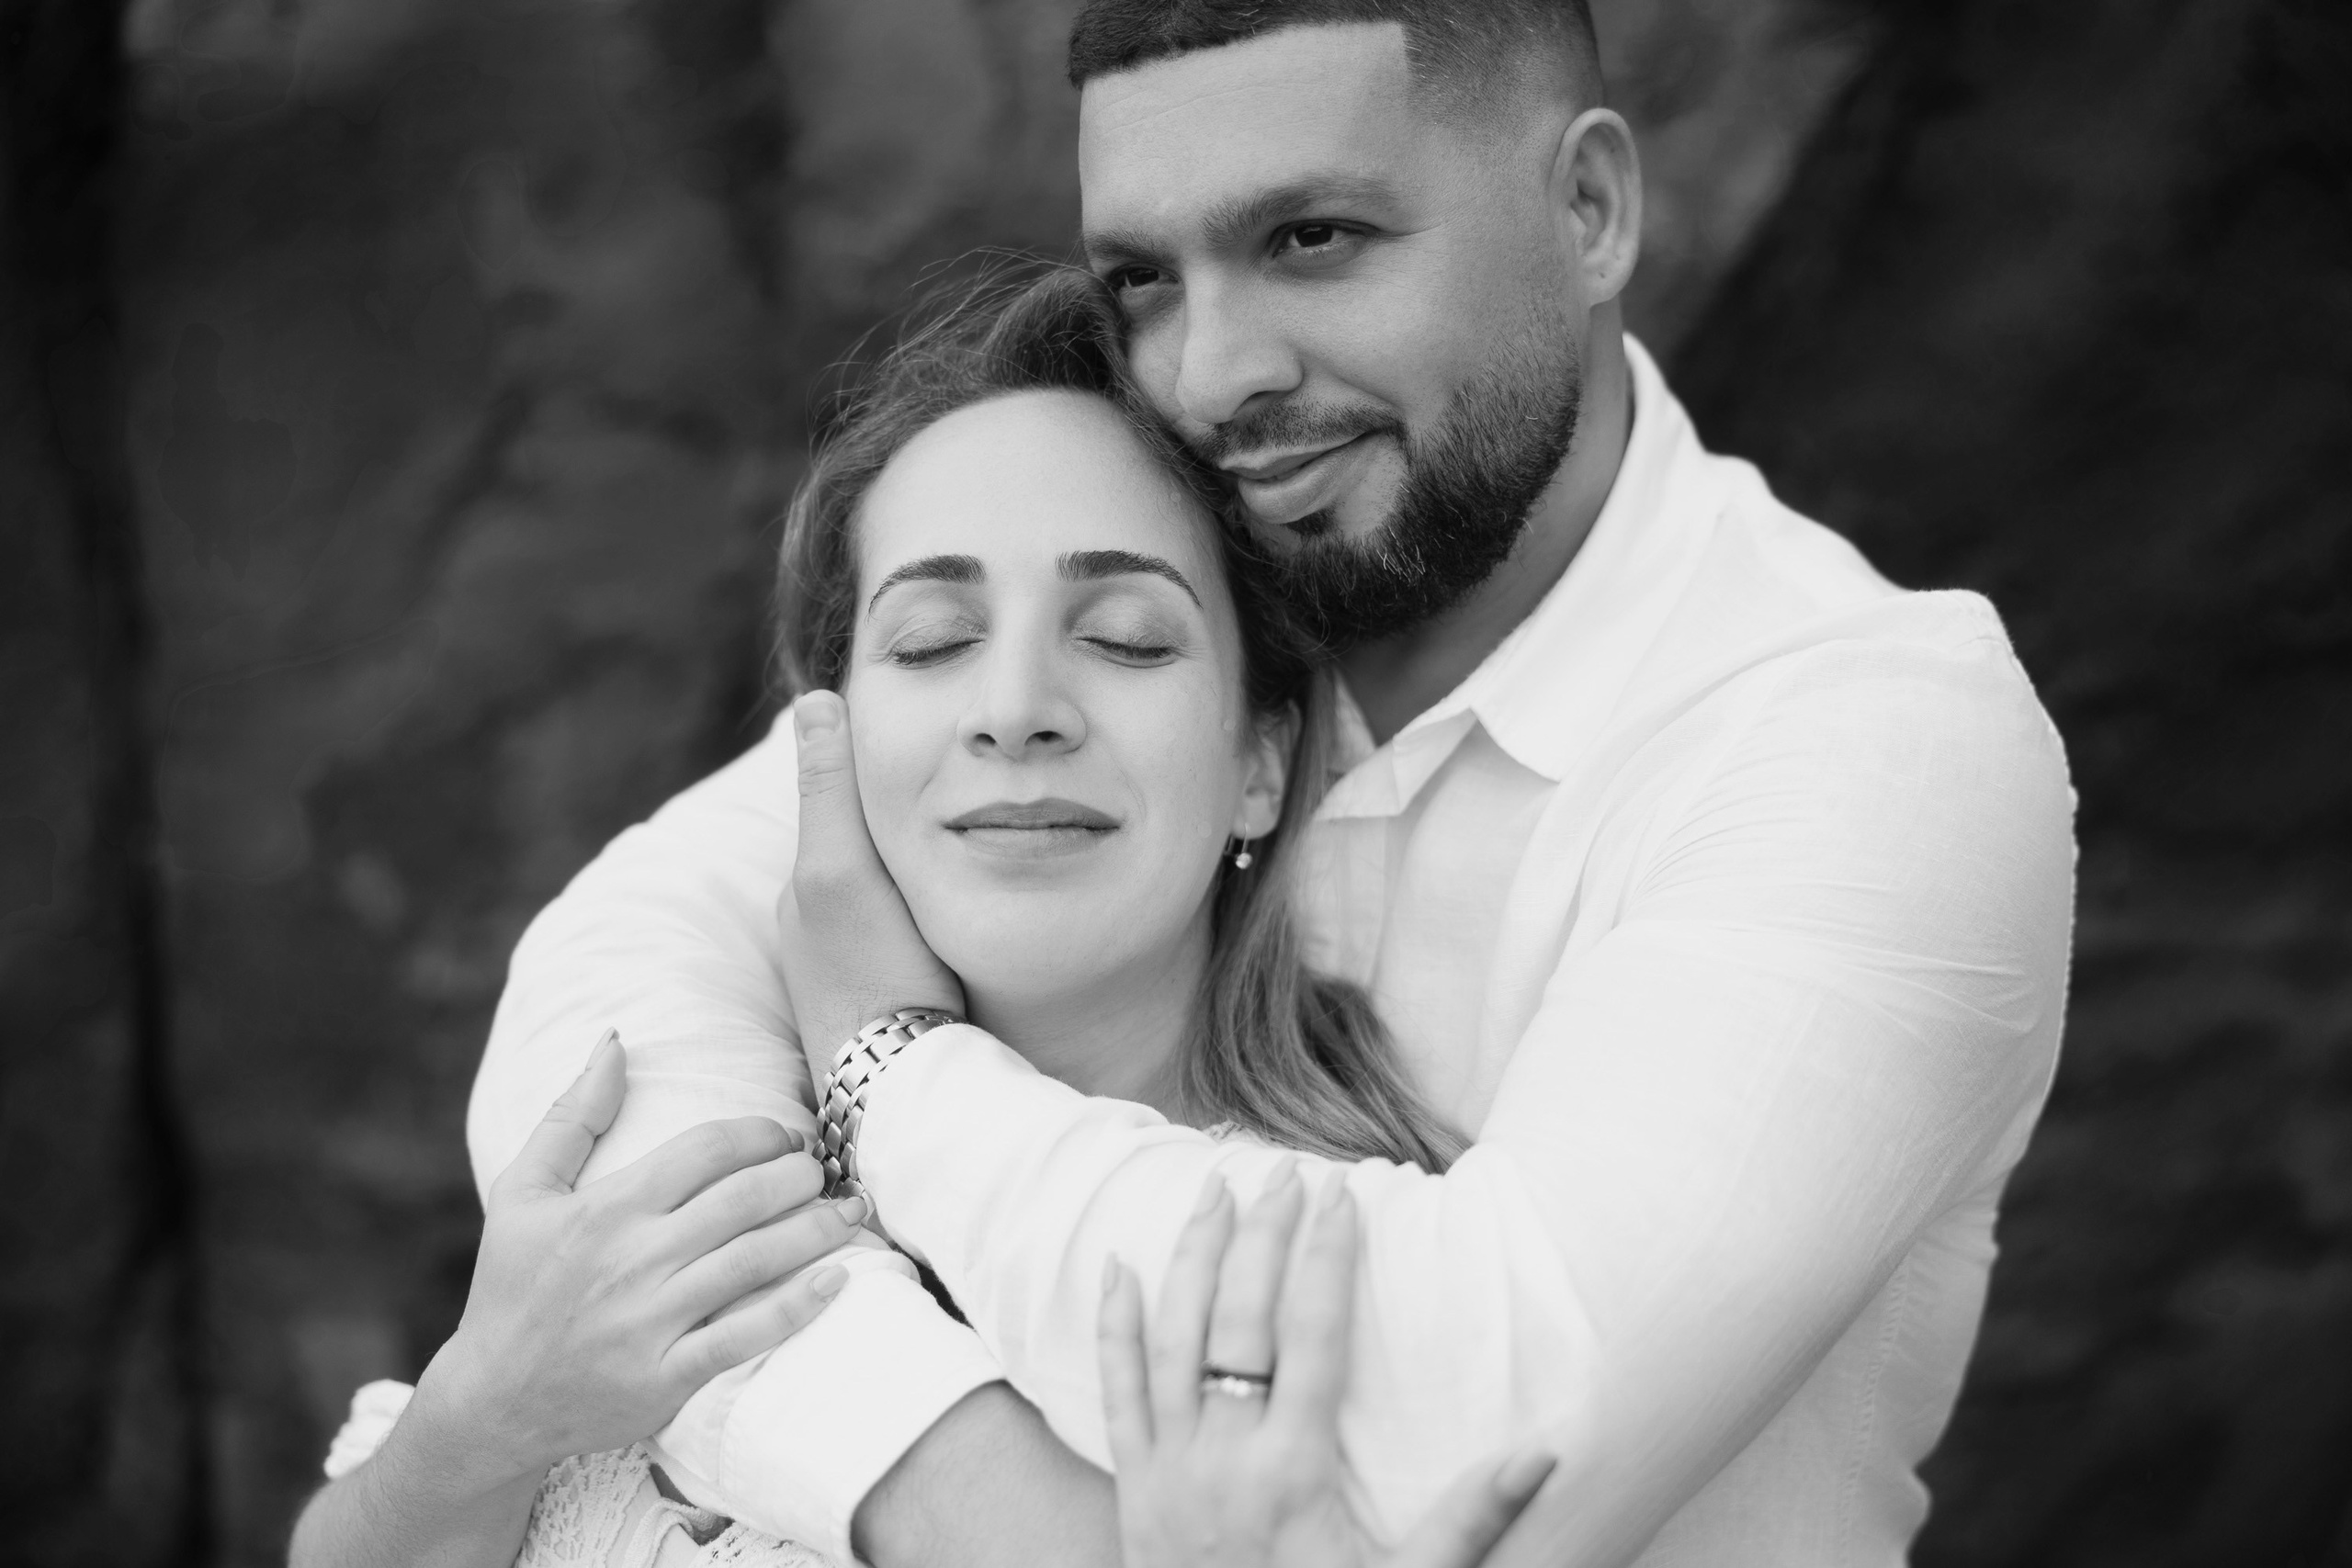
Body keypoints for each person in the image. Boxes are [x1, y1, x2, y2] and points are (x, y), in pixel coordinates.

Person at [472, 3, 2077, 1566]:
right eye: (1144, 280)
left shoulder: (1870, 731)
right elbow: (608, 1019)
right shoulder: (1165, 587)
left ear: (1586, 207)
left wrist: (892, 1077)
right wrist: (953, 1477)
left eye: (1312, 237)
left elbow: (1443, 1446)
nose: (1212, 373)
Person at [300, 270, 1550, 1567]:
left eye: (1125, 638)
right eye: (933, 639)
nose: (1017, 707)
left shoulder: (1331, 1263)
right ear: (825, 735)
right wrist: (480, 1418)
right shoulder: (703, 1161)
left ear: (1261, 763)